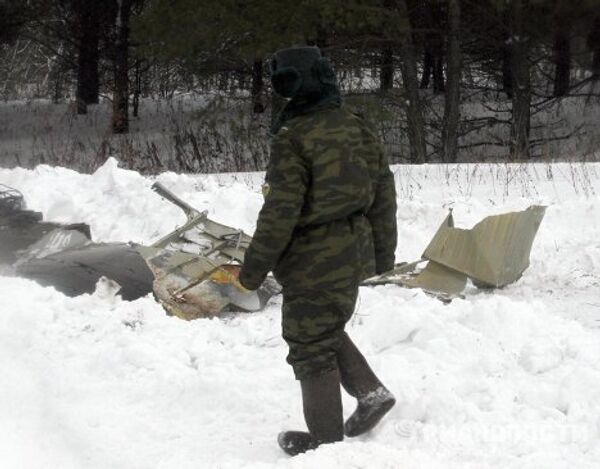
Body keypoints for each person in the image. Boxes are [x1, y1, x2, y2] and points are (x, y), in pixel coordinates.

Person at [238, 46, 398, 456]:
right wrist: (382, 254)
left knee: (309, 345)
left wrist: (252, 269)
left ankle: (326, 448)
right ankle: (371, 394)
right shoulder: (356, 126)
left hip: (313, 257)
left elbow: (280, 211)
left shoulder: (295, 137)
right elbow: (383, 195)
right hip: (354, 250)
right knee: (323, 329)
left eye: (286, 80)